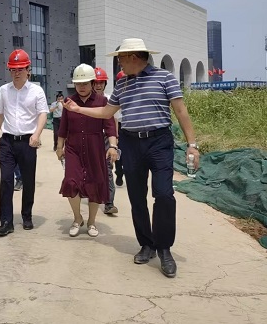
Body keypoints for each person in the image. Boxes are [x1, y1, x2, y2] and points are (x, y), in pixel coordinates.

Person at [63, 38, 200, 278]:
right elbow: (107, 112)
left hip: (159, 142)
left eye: (121, 59)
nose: (119, 64)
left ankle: (164, 249)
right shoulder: (122, 84)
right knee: (137, 197)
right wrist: (78, 109)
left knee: (164, 195)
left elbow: (180, 110)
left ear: (133, 57)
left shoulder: (164, 78)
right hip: (131, 142)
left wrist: (192, 145)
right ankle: (146, 244)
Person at [56, 64, 118, 238]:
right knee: (70, 182)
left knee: (95, 183)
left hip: (95, 147)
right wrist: (59, 147)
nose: (81, 87)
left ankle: (91, 222)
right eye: (78, 84)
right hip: (73, 147)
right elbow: (63, 127)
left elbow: (110, 126)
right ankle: (77, 219)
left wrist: (112, 146)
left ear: (92, 83)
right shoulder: (69, 101)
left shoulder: (102, 102)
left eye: (85, 83)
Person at [0, 49, 49, 236]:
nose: (16, 73)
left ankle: (27, 215)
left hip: (27, 142)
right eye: (13, 70)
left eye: (20, 69)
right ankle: (6, 221)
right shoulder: (4, 90)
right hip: (8, 141)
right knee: (6, 180)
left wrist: (37, 134)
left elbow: (42, 114)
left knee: (28, 180)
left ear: (27, 70)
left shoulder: (36, 91)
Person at [93, 67, 119, 215]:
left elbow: (114, 121)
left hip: (106, 139)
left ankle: (109, 203)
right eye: (96, 82)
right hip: (91, 138)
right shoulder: (86, 101)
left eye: (101, 82)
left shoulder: (110, 100)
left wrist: (115, 142)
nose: (98, 85)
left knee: (107, 169)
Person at [114, 70, 126, 186]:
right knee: (119, 153)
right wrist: (116, 134)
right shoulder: (115, 96)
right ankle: (119, 173)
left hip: (131, 127)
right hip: (119, 127)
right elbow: (114, 118)